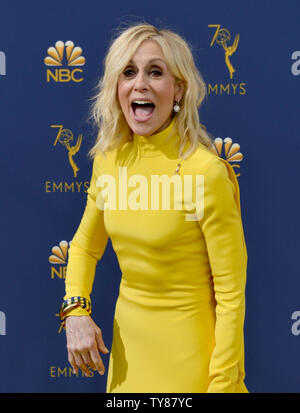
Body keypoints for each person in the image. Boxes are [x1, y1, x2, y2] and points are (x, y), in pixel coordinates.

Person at [59, 22, 249, 393]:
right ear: (117, 87)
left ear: (178, 88)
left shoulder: (207, 173)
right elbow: (83, 246)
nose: (140, 83)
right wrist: (76, 311)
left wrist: (223, 383)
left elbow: (231, 296)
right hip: (128, 361)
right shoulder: (109, 161)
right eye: (128, 72)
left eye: (155, 72)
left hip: (191, 363)